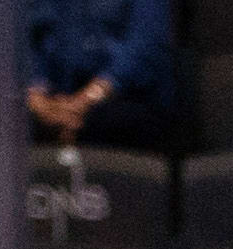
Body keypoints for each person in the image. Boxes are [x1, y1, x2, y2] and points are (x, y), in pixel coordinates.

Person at [24, 0, 176, 151]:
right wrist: (38, 101)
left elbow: (143, 49)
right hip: (57, 98)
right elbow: (32, 40)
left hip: (127, 98)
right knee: (18, 117)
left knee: (108, 121)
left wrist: (82, 103)